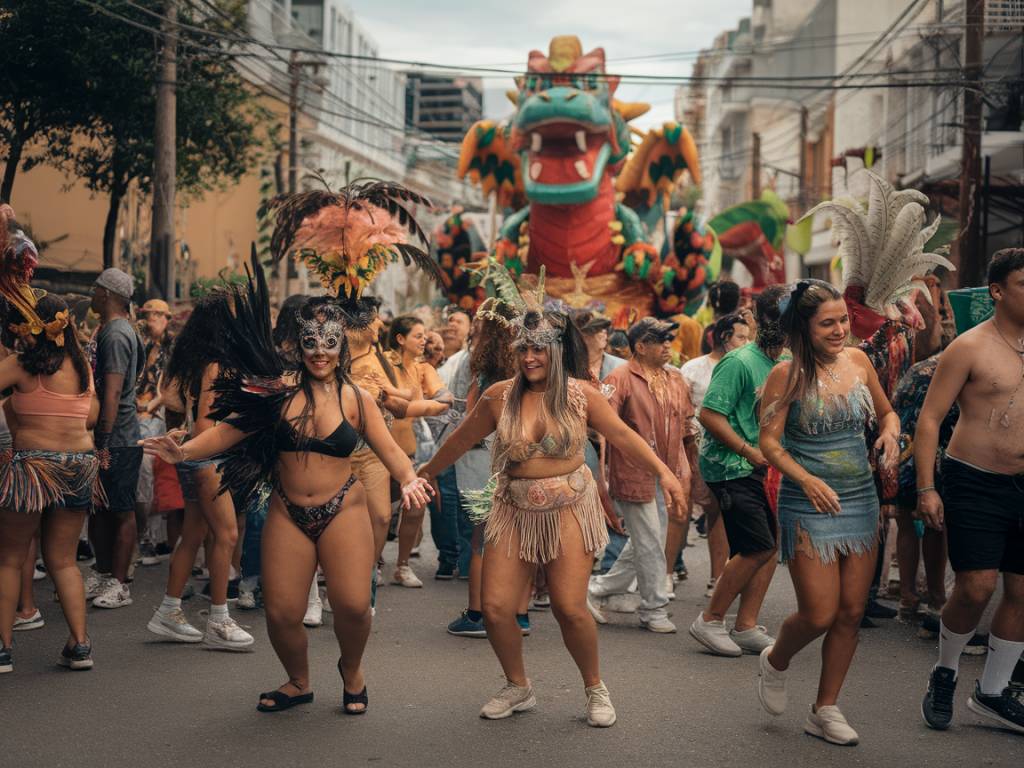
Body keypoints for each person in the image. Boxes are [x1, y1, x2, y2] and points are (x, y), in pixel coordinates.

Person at [142, 288, 433, 714]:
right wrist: (183, 452)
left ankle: (351, 669)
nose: (319, 353)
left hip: (342, 508)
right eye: (310, 344)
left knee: (353, 606)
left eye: (329, 343)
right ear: (299, 346)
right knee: (281, 613)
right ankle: (298, 681)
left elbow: (389, 449)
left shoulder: (357, 398)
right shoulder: (276, 392)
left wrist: (408, 479)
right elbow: (230, 430)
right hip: (288, 510)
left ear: (341, 346)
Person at [419, 308, 687, 727]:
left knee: (569, 607)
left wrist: (666, 475)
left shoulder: (582, 395)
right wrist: (424, 472)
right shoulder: (498, 397)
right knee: (494, 607)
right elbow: (460, 438)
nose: (530, 357)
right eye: (523, 348)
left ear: (557, 351)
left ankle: (595, 687)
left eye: (539, 348)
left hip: (568, 506)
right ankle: (517, 685)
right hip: (512, 506)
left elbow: (622, 435)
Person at [756, 279, 900, 746]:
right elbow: (770, 443)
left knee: (851, 612)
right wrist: (807, 479)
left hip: (860, 498)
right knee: (818, 613)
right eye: (828, 323)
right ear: (804, 327)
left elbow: (887, 413)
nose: (840, 330)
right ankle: (777, 658)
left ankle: (825, 708)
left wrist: (890, 436)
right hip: (809, 499)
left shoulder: (858, 361)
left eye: (843, 320)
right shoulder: (786, 373)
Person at [918, 248, 1024, 734]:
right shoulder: (969, 346)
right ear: (997, 291)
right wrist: (926, 489)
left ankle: (994, 692)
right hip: (974, 479)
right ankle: (946, 672)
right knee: (977, 586)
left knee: (1022, 591)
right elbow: (930, 419)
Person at [144, 294, 253, 650]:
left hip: (199, 455)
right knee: (226, 535)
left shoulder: (202, 361)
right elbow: (208, 418)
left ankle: (169, 611)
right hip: (209, 458)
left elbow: (180, 404)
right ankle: (219, 620)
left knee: (193, 535)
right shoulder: (218, 365)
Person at [0, 289, 101, 673]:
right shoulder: (81, 365)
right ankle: (80, 645)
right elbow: (90, 417)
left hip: (32, 466)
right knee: (63, 560)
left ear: (29, 325)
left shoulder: (23, 364)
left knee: (9, 558)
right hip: (80, 463)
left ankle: (3, 649)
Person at [689, 286, 788, 657]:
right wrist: (749, 451)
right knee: (756, 546)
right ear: (758, 319)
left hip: (770, 464)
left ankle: (746, 624)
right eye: (775, 316)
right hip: (731, 466)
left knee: (771, 544)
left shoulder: (790, 359)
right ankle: (710, 620)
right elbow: (709, 415)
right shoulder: (739, 362)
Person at [588, 318, 693, 633]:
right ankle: (654, 608)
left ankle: (596, 588)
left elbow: (684, 427)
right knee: (649, 542)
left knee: (648, 540)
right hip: (633, 472)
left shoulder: (675, 378)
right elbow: (602, 427)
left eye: (667, 340)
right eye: (658, 340)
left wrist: (684, 469)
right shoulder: (619, 377)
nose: (666, 346)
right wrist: (603, 475)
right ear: (640, 346)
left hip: (668, 473)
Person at [87, 268, 145, 609]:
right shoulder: (115, 330)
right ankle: (105, 573)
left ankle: (120, 584)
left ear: (107, 294)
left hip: (118, 438)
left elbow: (112, 393)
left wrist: (103, 440)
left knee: (121, 511)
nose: (91, 295)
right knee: (100, 510)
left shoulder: (117, 334)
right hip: (114, 435)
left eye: (95, 289)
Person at [680, 313, 750, 598]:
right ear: (724, 337)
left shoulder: (747, 364)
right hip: (702, 450)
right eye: (741, 337)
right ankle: (716, 576)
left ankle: (735, 576)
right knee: (714, 512)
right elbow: (683, 411)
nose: (747, 343)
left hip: (743, 450)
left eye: (748, 337)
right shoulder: (693, 369)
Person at [385, 315, 451, 587]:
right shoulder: (384, 362)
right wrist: (421, 403)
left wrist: (414, 403)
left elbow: (445, 398)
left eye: (425, 335)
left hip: (411, 453)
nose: (424, 340)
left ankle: (402, 566)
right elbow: (388, 401)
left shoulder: (423, 368)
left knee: (416, 507)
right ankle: (374, 563)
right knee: (380, 514)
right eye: (418, 335)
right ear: (400, 339)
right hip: (381, 452)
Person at [135, 298, 174, 565]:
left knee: (152, 472)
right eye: (148, 314)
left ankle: (151, 537)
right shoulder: (139, 341)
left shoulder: (174, 347)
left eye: (157, 315)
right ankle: (145, 536)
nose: (152, 319)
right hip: (134, 413)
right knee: (141, 473)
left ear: (166, 318)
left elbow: (174, 384)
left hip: (157, 415)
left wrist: (154, 403)